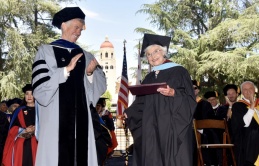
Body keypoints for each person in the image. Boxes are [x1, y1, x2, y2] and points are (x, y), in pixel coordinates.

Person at [31, 7, 106, 166]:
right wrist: (64, 71)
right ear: (64, 25)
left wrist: (90, 74)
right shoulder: (46, 51)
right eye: (77, 27)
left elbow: (97, 91)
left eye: (81, 29)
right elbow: (40, 91)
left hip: (82, 124)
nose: (79, 32)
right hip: (55, 125)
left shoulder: (86, 56)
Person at [124, 33, 197, 166]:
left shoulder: (179, 71)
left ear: (164, 52)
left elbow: (190, 99)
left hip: (171, 127)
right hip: (151, 127)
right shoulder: (149, 77)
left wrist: (174, 93)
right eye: (149, 54)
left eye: (156, 51)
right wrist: (129, 112)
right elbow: (141, 102)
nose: (152, 56)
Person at [2, 84, 37, 166]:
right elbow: (12, 129)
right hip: (21, 143)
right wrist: (23, 130)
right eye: (27, 94)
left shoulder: (41, 110)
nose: (29, 96)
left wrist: (36, 128)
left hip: (37, 141)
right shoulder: (19, 111)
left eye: (31, 94)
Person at [231, 81, 259, 166]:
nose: (248, 91)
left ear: (254, 90)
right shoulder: (237, 106)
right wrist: (251, 106)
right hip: (246, 140)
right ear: (242, 92)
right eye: (245, 89)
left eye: (250, 89)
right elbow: (245, 124)